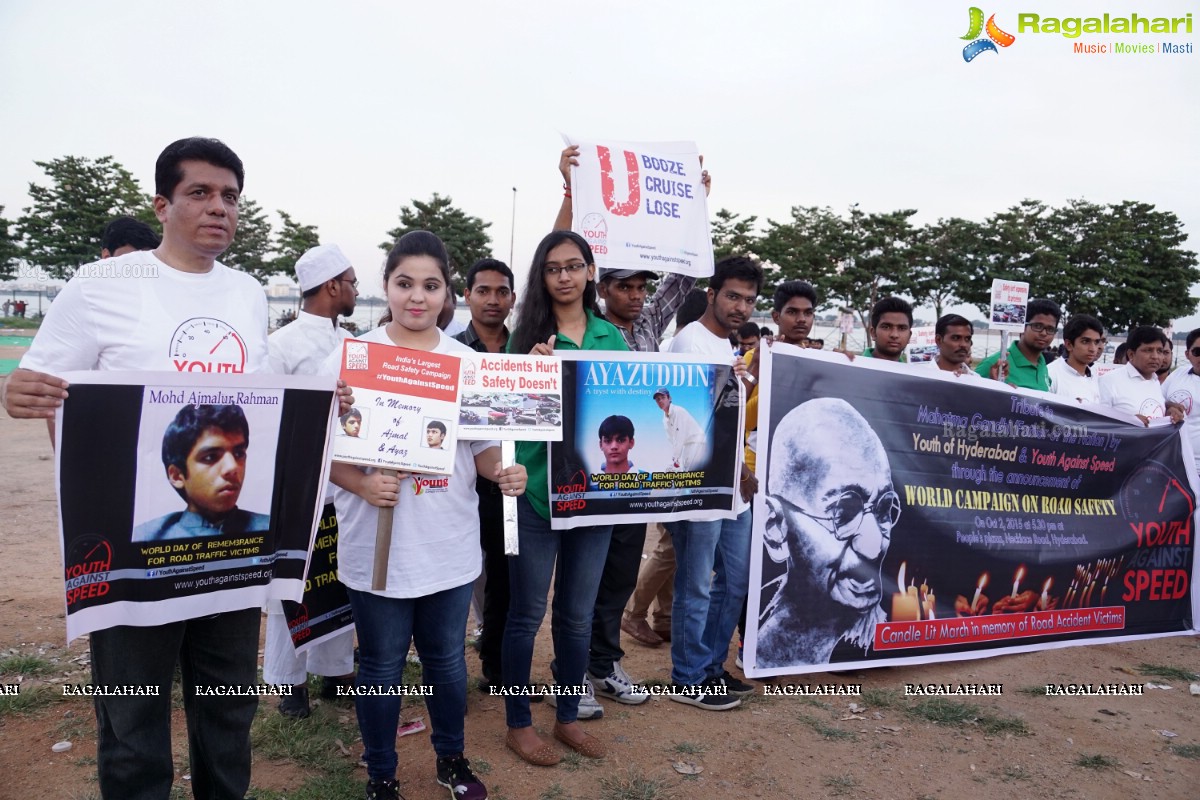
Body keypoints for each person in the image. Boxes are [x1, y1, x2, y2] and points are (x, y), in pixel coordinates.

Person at [3, 137, 273, 800]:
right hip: (129, 547)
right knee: (132, 718)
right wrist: (18, 392)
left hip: (230, 550)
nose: (219, 208)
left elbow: (262, 407)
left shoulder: (248, 293)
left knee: (229, 708)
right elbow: (37, 381)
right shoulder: (101, 286)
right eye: (201, 193)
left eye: (230, 196)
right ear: (163, 204)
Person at [328, 231, 526, 800]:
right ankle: (381, 774)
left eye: (431, 285)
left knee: (446, 662)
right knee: (381, 666)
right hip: (376, 550)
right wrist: (362, 484)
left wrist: (503, 473)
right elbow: (317, 454)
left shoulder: (468, 364)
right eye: (404, 283)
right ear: (385, 288)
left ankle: (451, 759)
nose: (417, 297)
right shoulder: (352, 358)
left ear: (448, 295)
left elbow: (484, 452)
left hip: (448, 547)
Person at [503, 230, 628, 765]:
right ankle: (517, 722)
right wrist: (534, 375)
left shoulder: (612, 338)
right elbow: (507, 417)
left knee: (576, 617)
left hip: (595, 499)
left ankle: (568, 717)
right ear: (542, 276)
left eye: (574, 266)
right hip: (537, 496)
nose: (564, 276)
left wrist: (729, 383)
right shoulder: (524, 337)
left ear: (590, 272)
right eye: (553, 268)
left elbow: (631, 400)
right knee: (526, 616)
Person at [264, 242, 359, 718]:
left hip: (346, 487)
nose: (357, 290)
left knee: (336, 580)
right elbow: (272, 419)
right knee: (293, 585)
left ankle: (337, 672)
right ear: (332, 286)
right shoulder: (281, 346)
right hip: (301, 488)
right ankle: (289, 680)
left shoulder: (353, 344)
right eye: (353, 282)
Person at [663, 255, 761, 710]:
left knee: (734, 581)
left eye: (749, 300)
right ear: (712, 295)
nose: (741, 307)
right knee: (697, 583)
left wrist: (742, 470)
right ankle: (687, 676)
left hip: (732, 485)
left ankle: (710, 666)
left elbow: (733, 421)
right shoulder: (690, 343)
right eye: (733, 296)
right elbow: (699, 421)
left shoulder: (731, 348)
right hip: (700, 487)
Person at [758, 398, 899, 667]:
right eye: (843, 513)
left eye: (883, 510)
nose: (874, 545)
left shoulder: (898, 629)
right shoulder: (761, 633)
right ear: (775, 527)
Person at [454, 258, 517, 694]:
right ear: (467, 296)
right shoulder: (450, 350)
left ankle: (495, 665)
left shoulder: (529, 352)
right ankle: (447, 672)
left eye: (501, 291)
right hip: (456, 483)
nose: (492, 299)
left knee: (504, 575)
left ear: (512, 298)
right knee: (455, 578)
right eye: (483, 291)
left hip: (507, 480)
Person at [132, 403, 269, 541]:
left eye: (239, 453)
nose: (232, 467)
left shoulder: (270, 528)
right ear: (177, 476)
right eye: (211, 457)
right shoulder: (146, 537)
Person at [1098, 325, 1183, 426]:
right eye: (1148, 350)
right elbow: (1097, 423)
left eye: (1159, 351)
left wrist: (1168, 412)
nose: (1155, 356)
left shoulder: (1154, 381)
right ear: (1131, 354)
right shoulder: (1109, 381)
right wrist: (1128, 421)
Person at [974, 298, 1060, 390]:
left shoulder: (1042, 365)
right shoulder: (995, 364)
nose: (1044, 333)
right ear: (1022, 327)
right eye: (1037, 326)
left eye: (1050, 329)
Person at [1163, 327, 1200, 475]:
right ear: (1187, 354)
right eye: (1197, 352)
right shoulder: (1178, 374)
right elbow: (1158, 402)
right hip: (1173, 462)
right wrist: (1169, 406)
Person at [1048, 314, 1104, 404]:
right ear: (1069, 345)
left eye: (1096, 342)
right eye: (1085, 341)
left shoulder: (1096, 377)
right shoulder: (1050, 375)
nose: (1093, 349)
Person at [654, 388, 707, 470]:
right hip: (688, 445)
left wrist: (676, 457)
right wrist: (675, 458)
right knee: (684, 470)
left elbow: (679, 436)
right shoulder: (665, 419)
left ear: (669, 398)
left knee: (690, 471)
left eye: (663, 398)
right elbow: (672, 439)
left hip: (698, 444)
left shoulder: (678, 411)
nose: (660, 401)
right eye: (658, 399)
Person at [862, 297, 912, 361]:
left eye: (902, 328)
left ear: (909, 336)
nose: (894, 335)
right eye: (886, 327)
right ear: (873, 333)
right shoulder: (852, 368)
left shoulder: (911, 370)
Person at [771, 281, 817, 347]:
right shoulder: (757, 356)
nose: (802, 319)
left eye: (808, 313)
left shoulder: (817, 356)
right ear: (776, 317)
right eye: (792, 312)